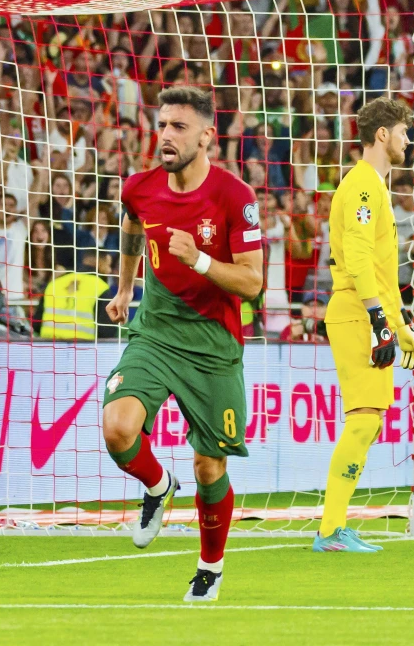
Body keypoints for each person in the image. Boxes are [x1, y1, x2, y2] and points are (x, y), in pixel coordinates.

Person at [101, 86, 264, 602]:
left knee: (208, 466)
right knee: (117, 428)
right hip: (155, 334)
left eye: (178, 127)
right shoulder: (139, 188)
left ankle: (210, 569)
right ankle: (156, 486)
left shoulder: (236, 197)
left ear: (206, 137)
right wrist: (126, 287)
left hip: (213, 346)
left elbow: (253, 283)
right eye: (162, 125)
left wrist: (198, 261)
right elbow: (131, 226)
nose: (165, 136)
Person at [316, 97, 414, 553]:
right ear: (382, 134)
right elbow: (358, 257)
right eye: (402, 132)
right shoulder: (362, 185)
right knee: (363, 421)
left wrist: (399, 326)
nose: (407, 139)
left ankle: (334, 527)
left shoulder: (374, 186)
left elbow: (380, 270)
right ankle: (329, 531)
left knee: (370, 420)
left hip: (369, 311)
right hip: (357, 312)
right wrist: (380, 321)